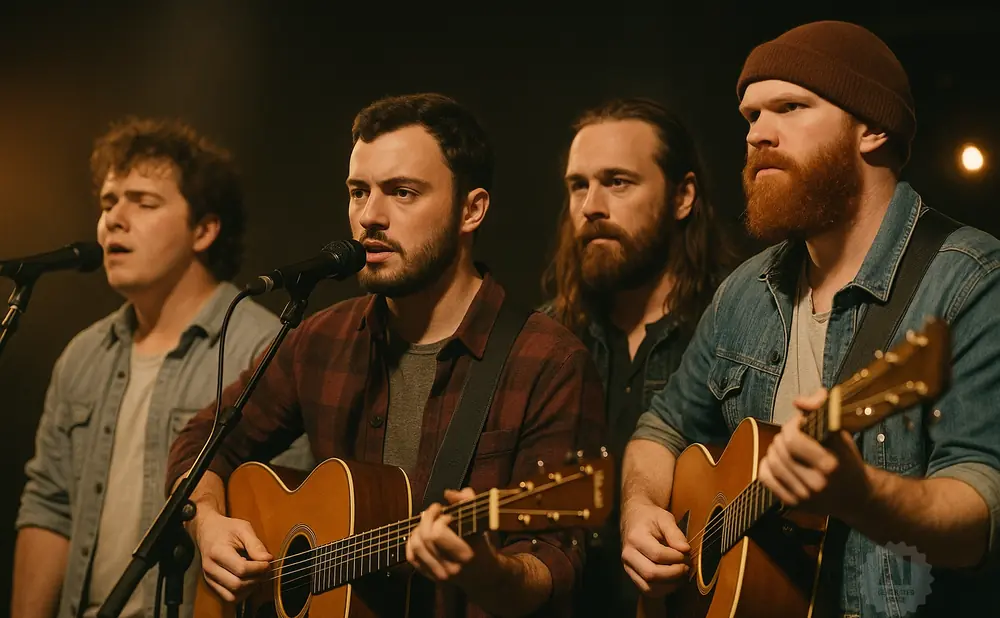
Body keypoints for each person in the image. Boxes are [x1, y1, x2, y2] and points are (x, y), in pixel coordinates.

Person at [165, 93, 606, 618]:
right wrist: (209, 523)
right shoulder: (322, 339)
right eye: (358, 192)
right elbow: (202, 442)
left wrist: (488, 572)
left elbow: (553, 564)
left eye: (402, 192)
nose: (369, 217)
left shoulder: (548, 362)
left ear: (472, 210)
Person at [620, 20, 1000, 617]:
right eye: (750, 117)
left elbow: (980, 516)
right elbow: (660, 429)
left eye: (790, 107)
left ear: (872, 128)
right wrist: (640, 512)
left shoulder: (969, 283)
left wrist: (861, 496)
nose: (758, 135)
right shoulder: (746, 290)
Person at [12, 117, 313, 618]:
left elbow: (289, 511)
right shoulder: (83, 355)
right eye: (108, 203)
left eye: (143, 202)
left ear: (204, 229)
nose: (114, 219)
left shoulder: (262, 345)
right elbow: (50, 506)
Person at [539, 97, 738, 617]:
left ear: (683, 196)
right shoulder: (544, 340)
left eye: (618, 182)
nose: (591, 207)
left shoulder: (738, 329)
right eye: (578, 185)